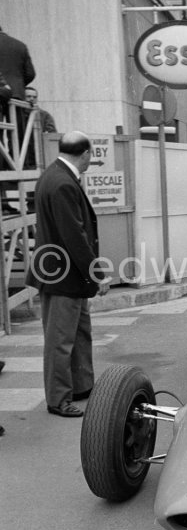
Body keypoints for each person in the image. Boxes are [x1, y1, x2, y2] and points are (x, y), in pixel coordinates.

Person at [26, 131, 109, 418]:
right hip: (62, 276)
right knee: (60, 340)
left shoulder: (53, 175)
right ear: (85, 153)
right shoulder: (62, 182)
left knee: (79, 332)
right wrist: (97, 274)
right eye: (90, 156)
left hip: (64, 275)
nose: (90, 161)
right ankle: (58, 398)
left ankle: (81, 386)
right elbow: (75, 236)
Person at [0, 27, 36, 211]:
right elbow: (30, 73)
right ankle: (17, 164)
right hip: (16, 96)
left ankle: (5, 164)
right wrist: (18, 85)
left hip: (1, 96)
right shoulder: (19, 46)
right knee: (19, 137)